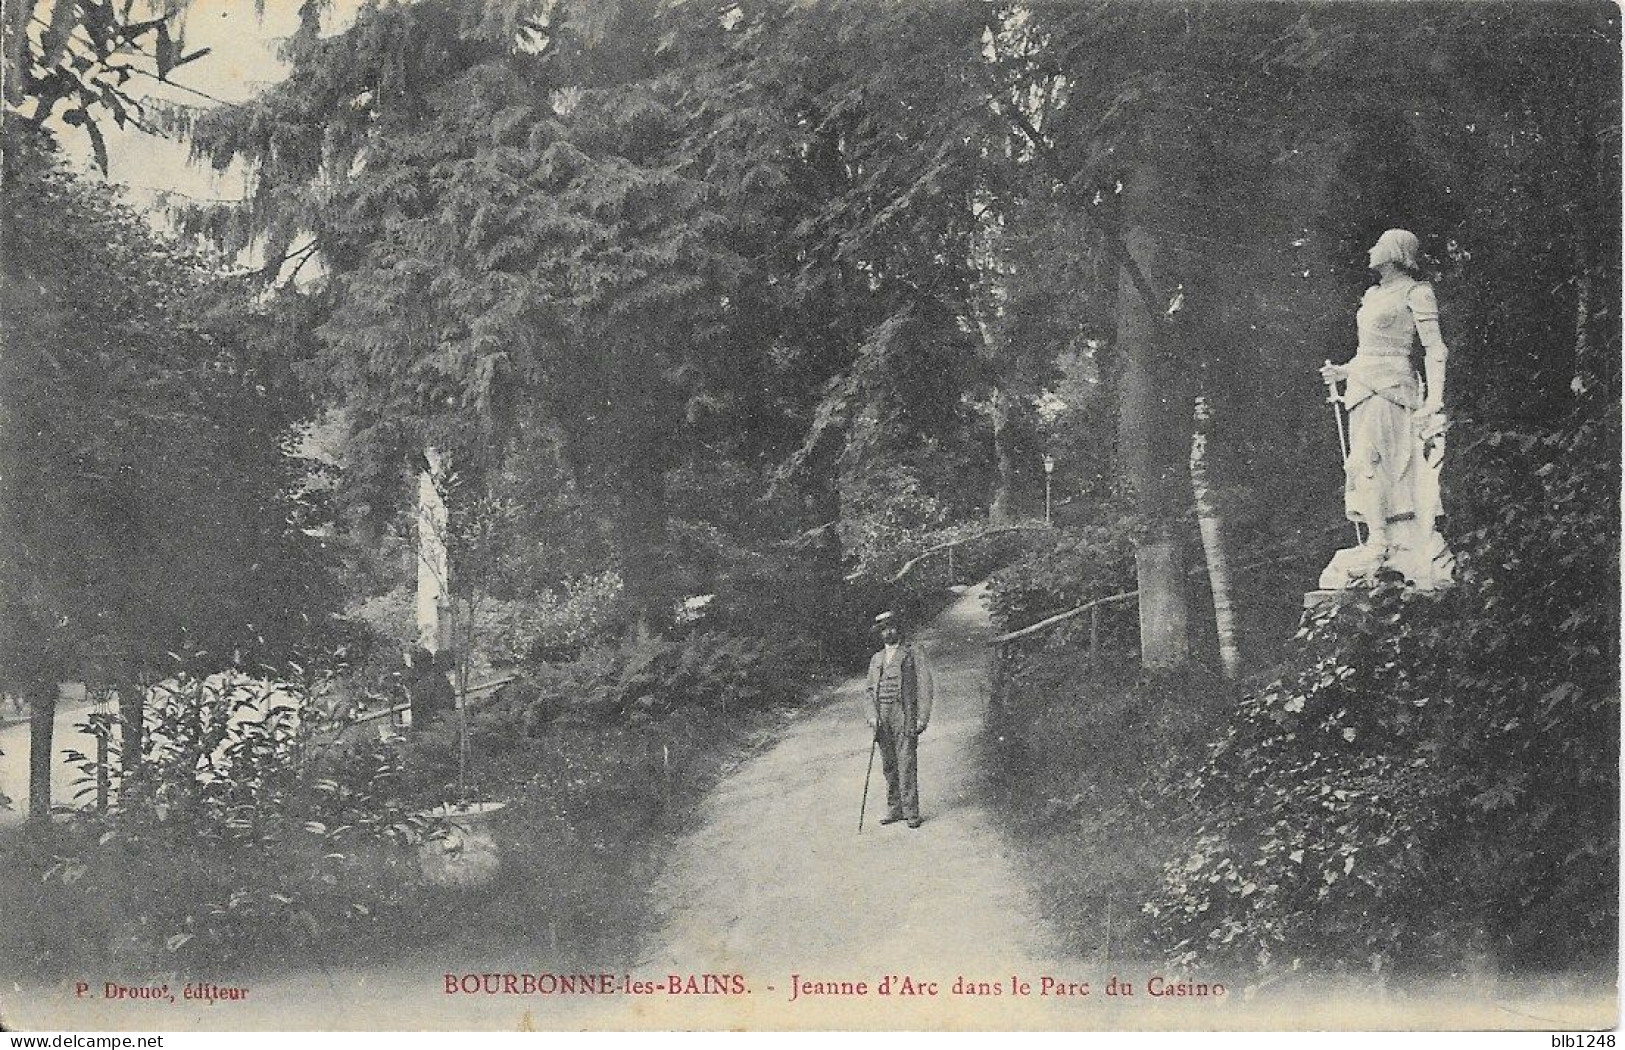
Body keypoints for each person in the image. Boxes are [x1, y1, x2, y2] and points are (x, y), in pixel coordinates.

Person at [1318, 228, 1454, 589]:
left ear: (1395, 252)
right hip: (1361, 387)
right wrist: (1344, 371)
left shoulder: (1417, 292)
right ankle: (1378, 539)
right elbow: (1367, 350)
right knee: (1362, 466)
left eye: (1377, 244)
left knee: (1376, 463)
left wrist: (1435, 400)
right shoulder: (1372, 294)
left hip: (1392, 388)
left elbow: (1435, 350)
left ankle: (1386, 541)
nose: (1370, 249)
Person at [864, 610, 935, 829]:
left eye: (892, 627)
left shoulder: (913, 653)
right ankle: (895, 809)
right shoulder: (876, 659)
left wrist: (921, 718)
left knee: (906, 763)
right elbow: (868, 692)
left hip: (904, 716)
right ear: (879, 633)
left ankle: (911, 812)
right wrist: (872, 717)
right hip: (882, 718)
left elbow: (925, 686)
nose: (888, 632)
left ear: (898, 628)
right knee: (889, 765)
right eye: (884, 629)